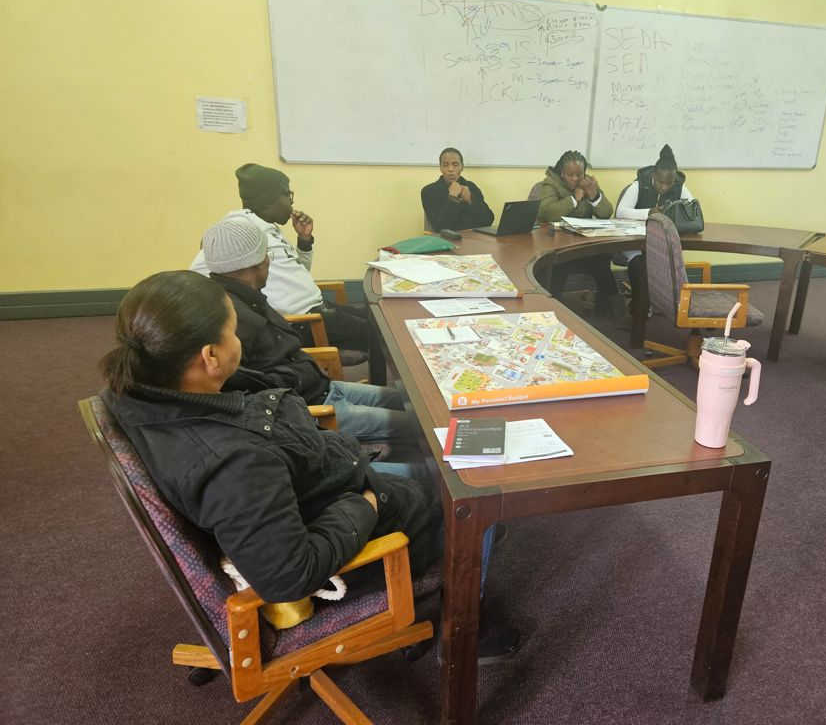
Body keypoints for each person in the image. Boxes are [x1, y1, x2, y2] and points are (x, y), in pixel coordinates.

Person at [100, 271, 519, 661]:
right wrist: (366, 504)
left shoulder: (150, 391)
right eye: (233, 333)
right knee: (474, 499)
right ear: (209, 355)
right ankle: (465, 633)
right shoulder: (233, 465)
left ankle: (468, 537)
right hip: (355, 531)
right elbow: (289, 575)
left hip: (322, 488)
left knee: (440, 473)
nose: (239, 341)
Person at [199, 217, 415, 445]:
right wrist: (302, 375)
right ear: (258, 262)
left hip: (324, 388)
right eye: (268, 255)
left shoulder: (241, 297)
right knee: (418, 425)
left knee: (409, 401)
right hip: (312, 408)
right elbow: (257, 391)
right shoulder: (234, 320)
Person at [191, 163, 369, 357]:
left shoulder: (267, 228)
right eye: (287, 195)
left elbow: (297, 273)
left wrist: (304, 240)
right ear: (268, 200)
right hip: (303, 323)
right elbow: (199, 274)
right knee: (380, 335)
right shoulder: (240, 232)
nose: (291, 203)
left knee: (376, 318)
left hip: (318, 308)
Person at [536, 150, 629, 325]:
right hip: (557, 245)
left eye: (579, 174)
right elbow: (547, 212)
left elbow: (606, 213)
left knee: (602, 259)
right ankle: (553, 311)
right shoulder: (550, 184)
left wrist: (595, 195)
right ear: (561, 173)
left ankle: (614, 310)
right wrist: (574, 199)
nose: (575, 179)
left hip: (583, 244)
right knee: (559, 262)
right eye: (570, 175)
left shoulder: (588, 184)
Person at [615, 144, 694, 294]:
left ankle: (667, 302)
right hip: (635, 243)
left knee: (671, 265)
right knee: (639, 263)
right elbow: (620, 212)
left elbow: (693, 213)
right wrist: (649, 212)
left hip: (661, 243)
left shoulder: (679, 188)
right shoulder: (639, 185)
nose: (664, 187)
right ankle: (639, 303)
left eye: (669, 183)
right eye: (660, 182)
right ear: (653, 176)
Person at [420, 147, 494, 232]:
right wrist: (452, 198)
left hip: (475, 237)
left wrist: (470, 199)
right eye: (445, 165)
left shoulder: (471, 187)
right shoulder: (429, 191)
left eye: (455, 165)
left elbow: (488, 221)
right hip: (448, 239)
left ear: (462, 167)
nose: (450, 169)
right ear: (440, 168)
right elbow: (441, 228)